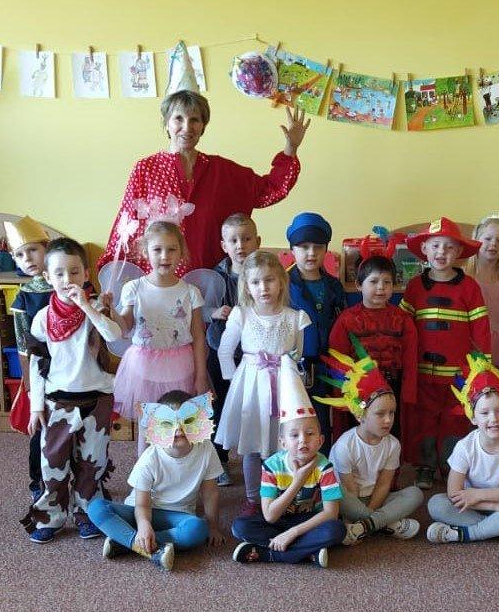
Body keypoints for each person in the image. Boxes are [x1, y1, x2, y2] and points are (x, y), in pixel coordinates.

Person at [98, 45, 309, 275]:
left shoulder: (222, 171)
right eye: (178, 119)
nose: (187, 127)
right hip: (159, 285)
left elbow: (268, 190)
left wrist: (290, 149)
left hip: (213, 284)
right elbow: (125, 226)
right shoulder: (145, 169)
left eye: (195, 120)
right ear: (167, 124)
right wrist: (112, 274)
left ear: (203, 126)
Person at [20, 238, 121, 543]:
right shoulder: (42, 318)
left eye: (75, 272)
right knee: (53, 463)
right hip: (58, 401)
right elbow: (37, 363)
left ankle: (88, 512)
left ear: (86, 274)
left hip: (96, 400)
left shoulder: (97, 308)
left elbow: (114, 335)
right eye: (60, 273)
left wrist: (88, 306)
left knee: (92, 462)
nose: (68, 280)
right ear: (47, 277)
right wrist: (36, 406)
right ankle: (50, 515)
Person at [215, 250, 310, 513]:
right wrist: (237, 384)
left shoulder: (294, 317)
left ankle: (280, 495)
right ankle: (253, 499)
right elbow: (225, 352)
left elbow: (297, 354)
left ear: (281, 282)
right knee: (253, 444)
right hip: (252, 386)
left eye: (269, 280)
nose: (263, 287)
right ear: (247, 286)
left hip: (284, 385)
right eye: (256, 282)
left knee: (283, 441)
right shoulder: (242, 314)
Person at [399, 217, 491, 489]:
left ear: (459, 252)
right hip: (423, 374)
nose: (442, 252)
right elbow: (403, 326)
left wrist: (483, 369)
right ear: (424, 249)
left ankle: (453, 466)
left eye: (449, 247)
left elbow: (481, 330)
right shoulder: (414, 287)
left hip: (458, 376)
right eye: (436, 245)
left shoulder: (470, 287)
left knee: (455, 421)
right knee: (424, 421)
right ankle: (425, 466)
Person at [87, 391, 225, 571]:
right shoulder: (150, 458)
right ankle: (145, 545)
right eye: (169, 423)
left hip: (177, 515)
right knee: (96, 508)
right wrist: (144, 525)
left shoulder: (206, 449)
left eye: (186, 421)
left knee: (198, 529)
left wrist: (213, 527)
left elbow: (210, 493)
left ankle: (126, 542)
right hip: (139, 512)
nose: (178, 430)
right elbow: (142, 504)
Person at [231, 356, 346, 566]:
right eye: (294, 435)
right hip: (278, 521)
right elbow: (270, 516)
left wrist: (293, 533)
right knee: (240, 526)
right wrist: (298, 481)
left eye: (310, 434)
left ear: (320, 441)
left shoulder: (324, 467)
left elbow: (331, 512)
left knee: (336, 529)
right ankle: (307, 552)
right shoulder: (271, 466)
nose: (303, 440)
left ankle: (270, 554)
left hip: (307, 523)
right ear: (282, 442)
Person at [110, 220, 208, 451]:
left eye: (172, 249)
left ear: (181, 252)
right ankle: (145, 468)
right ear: (146, 252)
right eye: (157, 249)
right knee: (148, 423)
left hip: (180, 365)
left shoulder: (190, 292)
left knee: (177, 423)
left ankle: (175, 467)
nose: (165, 256)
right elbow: (125, 327)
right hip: (144, 365)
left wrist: (201, 376)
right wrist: (111, 310)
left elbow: (198, 337)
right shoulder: (134, 288)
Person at [317, 338, 423, 544]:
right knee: (335, 492)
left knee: (415, 494)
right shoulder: (345, 445)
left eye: (391, 413)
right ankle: (387, 524)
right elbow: (350, 489)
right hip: (349, 499)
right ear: (360, 416)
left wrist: (371, 512)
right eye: (380, 414)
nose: (388, 420)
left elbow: (384, 484)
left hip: (377, 498)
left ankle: (364, 527)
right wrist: (368, 513)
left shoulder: (393, 444)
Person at [426, 352, 499, 545]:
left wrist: (479, 495)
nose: (493, 418)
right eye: (485, 413)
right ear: (473, 417)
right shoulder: (465, 447)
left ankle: (465, 534)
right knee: (436, 504)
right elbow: (454, 492)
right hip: (472, 505)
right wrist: (493, 506)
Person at [327, 255, 417, 442]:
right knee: (359, 437)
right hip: (359, 392)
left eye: (387, 282)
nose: (381, 287)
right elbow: (337, 362)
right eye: (374, 281)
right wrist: (343, 397)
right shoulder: (346, 320)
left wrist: (408, 394)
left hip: (392, 388)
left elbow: (410, 359)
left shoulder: (402, 319)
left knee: (390, 435)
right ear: (359, 285)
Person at [205, 213, 261, 484]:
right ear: (224, 245)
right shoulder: (214, 277)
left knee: (254, 405)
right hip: (220, 351)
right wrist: (213, 312)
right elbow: (198, 309)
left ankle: (260, 459)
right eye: (234, 240)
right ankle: (219, 462)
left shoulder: (264, 274)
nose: (241, 245)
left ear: (257, 242)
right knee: (220, 406)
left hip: (254, 353)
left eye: (247, 239)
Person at [286, 212, 347, 449]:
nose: (311, 253)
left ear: (326, 250)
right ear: (292, 249)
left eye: (318, 247)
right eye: (304, 247)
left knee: (322, 419)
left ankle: (324, 465)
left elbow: (342, 322)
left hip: (327, 364)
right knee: (294, 419)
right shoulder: (282, 284)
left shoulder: (334, 286)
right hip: (294, 365)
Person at [4, 215, 52, 500]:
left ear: (47, 248)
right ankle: (39, 483)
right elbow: (23, 346)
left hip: (74, 368)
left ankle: (89, 482)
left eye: (33, 250)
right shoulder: (23, 297)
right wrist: (31, 388)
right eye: (20, 255)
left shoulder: (70, 283)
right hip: (40, 369)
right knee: (41, 430)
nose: (28, 258)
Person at [464, 214, 499, 371]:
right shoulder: (465, 276)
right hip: (472, 345)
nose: (493, 244)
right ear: (477, 240)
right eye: (488, 238)